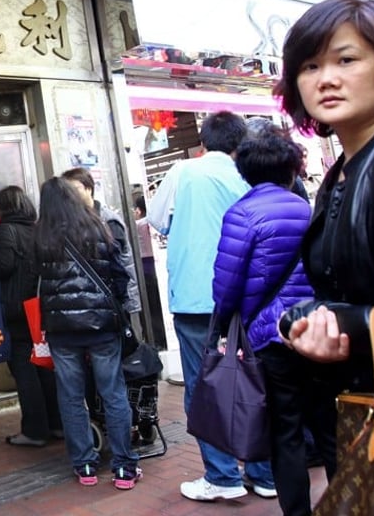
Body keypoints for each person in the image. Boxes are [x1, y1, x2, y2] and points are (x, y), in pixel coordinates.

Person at [276, 0, 374, 481]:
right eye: (310, 65)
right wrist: (306, 320)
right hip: (361, 403)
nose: (325, 78)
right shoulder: (344, 172)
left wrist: (311, 318)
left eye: (346, 59)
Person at [147, 110, 276, 501]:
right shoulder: (248, 174)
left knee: (204, 385)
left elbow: (155, 218)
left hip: (195, 294)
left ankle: (222, 478)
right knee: (254, 379)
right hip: (247, 293)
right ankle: (264, 475)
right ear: (240, 144)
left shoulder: (182, 172)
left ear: (203, 142)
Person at [210, 130, 316, 515]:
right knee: (327, 426)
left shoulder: (241, 214)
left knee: (284, 432)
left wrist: (223, 328)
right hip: (317, 331)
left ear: (245, 172)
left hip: (269, 338)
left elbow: (227, 284)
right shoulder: (309, 210)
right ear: (291, 169)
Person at [35, 177, 142, 490]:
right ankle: (124, 467)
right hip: (101, 325)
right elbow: (119, 274)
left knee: (70, 397)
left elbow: (37, 283)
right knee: (113, 392)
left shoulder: (40, 236)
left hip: (61, 330)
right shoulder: (97, 226)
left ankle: (84, 465)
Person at [0, 185, 61, 447]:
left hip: (17, 308)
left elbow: (3, 266)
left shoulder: (7, 230)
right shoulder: (37, 229)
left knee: (24, 368)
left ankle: (34, 430)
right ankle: (56, 424)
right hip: (39, 307)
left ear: (5, 207)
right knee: (44, 365)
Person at [61, 168, 142, 319]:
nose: (71, 195)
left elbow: (119, 264)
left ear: (89, 189)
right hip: (90, 304)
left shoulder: (107, 219)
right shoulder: (71, 222)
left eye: (75, 189)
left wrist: (122, 299)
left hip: (113, 301)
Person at [132, 194, 167, 350]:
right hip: (157, 267)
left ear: (139, 210)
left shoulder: (138, 225)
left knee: (151, 309)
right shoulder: (157, 223)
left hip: (144, 269)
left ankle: (156, 340)